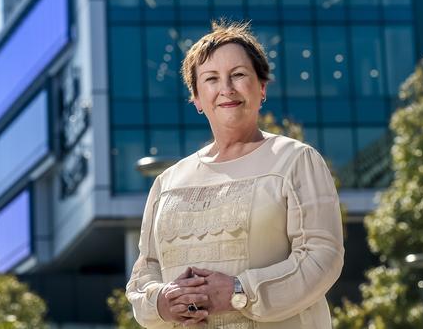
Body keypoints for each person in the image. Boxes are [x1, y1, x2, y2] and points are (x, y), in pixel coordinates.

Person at [126, 20, 344, 328]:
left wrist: (238, 291)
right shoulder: (168, 182)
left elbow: (322, 258)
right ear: (197, 99)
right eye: (211, 79)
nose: (226, 89)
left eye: (239, 75)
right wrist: (163, 300)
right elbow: (144, 274)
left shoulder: (296, 161)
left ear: (262, 87)